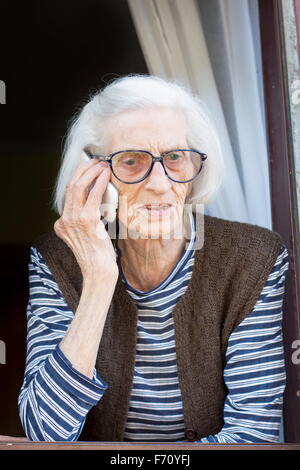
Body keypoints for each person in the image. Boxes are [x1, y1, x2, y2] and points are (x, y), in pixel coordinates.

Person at [18, 74, 289, 442]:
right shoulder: (56, 261)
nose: (160, 183)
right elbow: (44, 435)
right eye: (131, 160)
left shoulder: (254, 259)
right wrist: (97, 278)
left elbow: (254, 434)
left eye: (175, 157)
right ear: (90, 174)